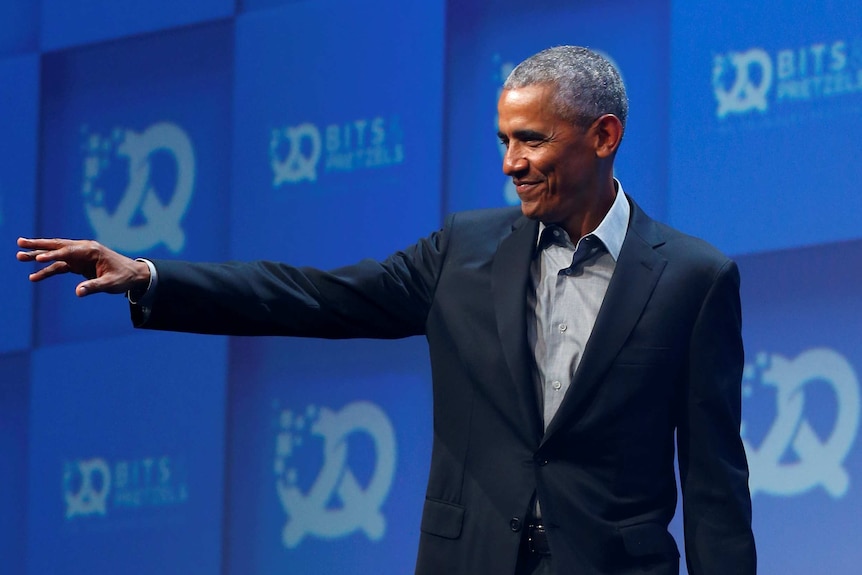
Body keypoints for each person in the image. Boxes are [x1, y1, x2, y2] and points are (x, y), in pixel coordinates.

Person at [18, 46, 756, 575]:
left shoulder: (693, 278)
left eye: (531, 139)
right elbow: (315, 296)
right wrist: (151, 276)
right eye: (504, 141)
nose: (510, 162)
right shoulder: (464, 250)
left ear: (603, 136)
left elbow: (715, 487)